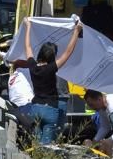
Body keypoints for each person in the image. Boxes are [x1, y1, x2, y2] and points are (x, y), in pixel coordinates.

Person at [24, 16, 83, 144]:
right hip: (50, 109)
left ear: (40, 53)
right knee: (47, 145)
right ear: (52, 57)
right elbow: (68, 52)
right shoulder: (51, 68)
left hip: (35, 108)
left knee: (36, 144)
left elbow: (28, 47)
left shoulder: (32, 66)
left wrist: (28, 26)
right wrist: (76, 31)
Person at [83, 89, 113, 155]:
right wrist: (95, 141)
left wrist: (110, 140)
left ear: (99, 99)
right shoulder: (101, 107)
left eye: (92, 104)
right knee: (105, 143)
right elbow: (105, 127)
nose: (91, 108)